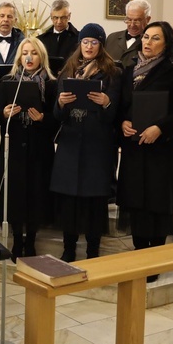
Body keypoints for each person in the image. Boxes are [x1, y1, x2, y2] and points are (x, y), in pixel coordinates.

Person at [117, 21, 173, 282]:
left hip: (160, 149)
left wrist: (160, 128)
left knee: (156, 201)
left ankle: (155, 259)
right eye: (146, 37)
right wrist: (123, 123)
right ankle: (140, 255)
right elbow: (122, 106)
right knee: (136, 200)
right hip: (134, 147)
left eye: (155, 38)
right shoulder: (128, 72)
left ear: (167, 43)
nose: (148, 42)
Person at [50, 23, 121, 262]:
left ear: (101, 45)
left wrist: (105, 102)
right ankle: (68, 247)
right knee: (69, 199)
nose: (89, 46)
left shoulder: (112, 72)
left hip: (97, 144)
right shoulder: (67, 70)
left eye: (94, 42)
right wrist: (60, 103)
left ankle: (93, 248)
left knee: (94, 199)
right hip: (70, 142)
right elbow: (56, 116)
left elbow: (116, 114)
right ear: (79, 44)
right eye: (85, 42)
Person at [0, 36, 57, 258]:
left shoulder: (51, 83)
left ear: (42, 57)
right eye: (25, 53)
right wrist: (4, 113)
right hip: (15, 146)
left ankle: (30, 240)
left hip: (39, 147)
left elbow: (57, 118)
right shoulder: (8, 81)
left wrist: (43, 118)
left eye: (34, 53)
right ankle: (16, 239)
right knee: (15, 193)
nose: (29, 57)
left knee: (35, 192)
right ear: (19, 57)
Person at [105, 0, 152, 69]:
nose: (132, 25)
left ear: (147, 19)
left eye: (137, 20)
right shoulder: (112, 38)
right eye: (129, 20)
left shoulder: (150, 42)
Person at [37, 0, 80, 76]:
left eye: (63, 17)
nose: (59, 21)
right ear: (51, 17)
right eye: (56, 18)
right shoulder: (41, 40)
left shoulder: (79, 39)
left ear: (69, 16)